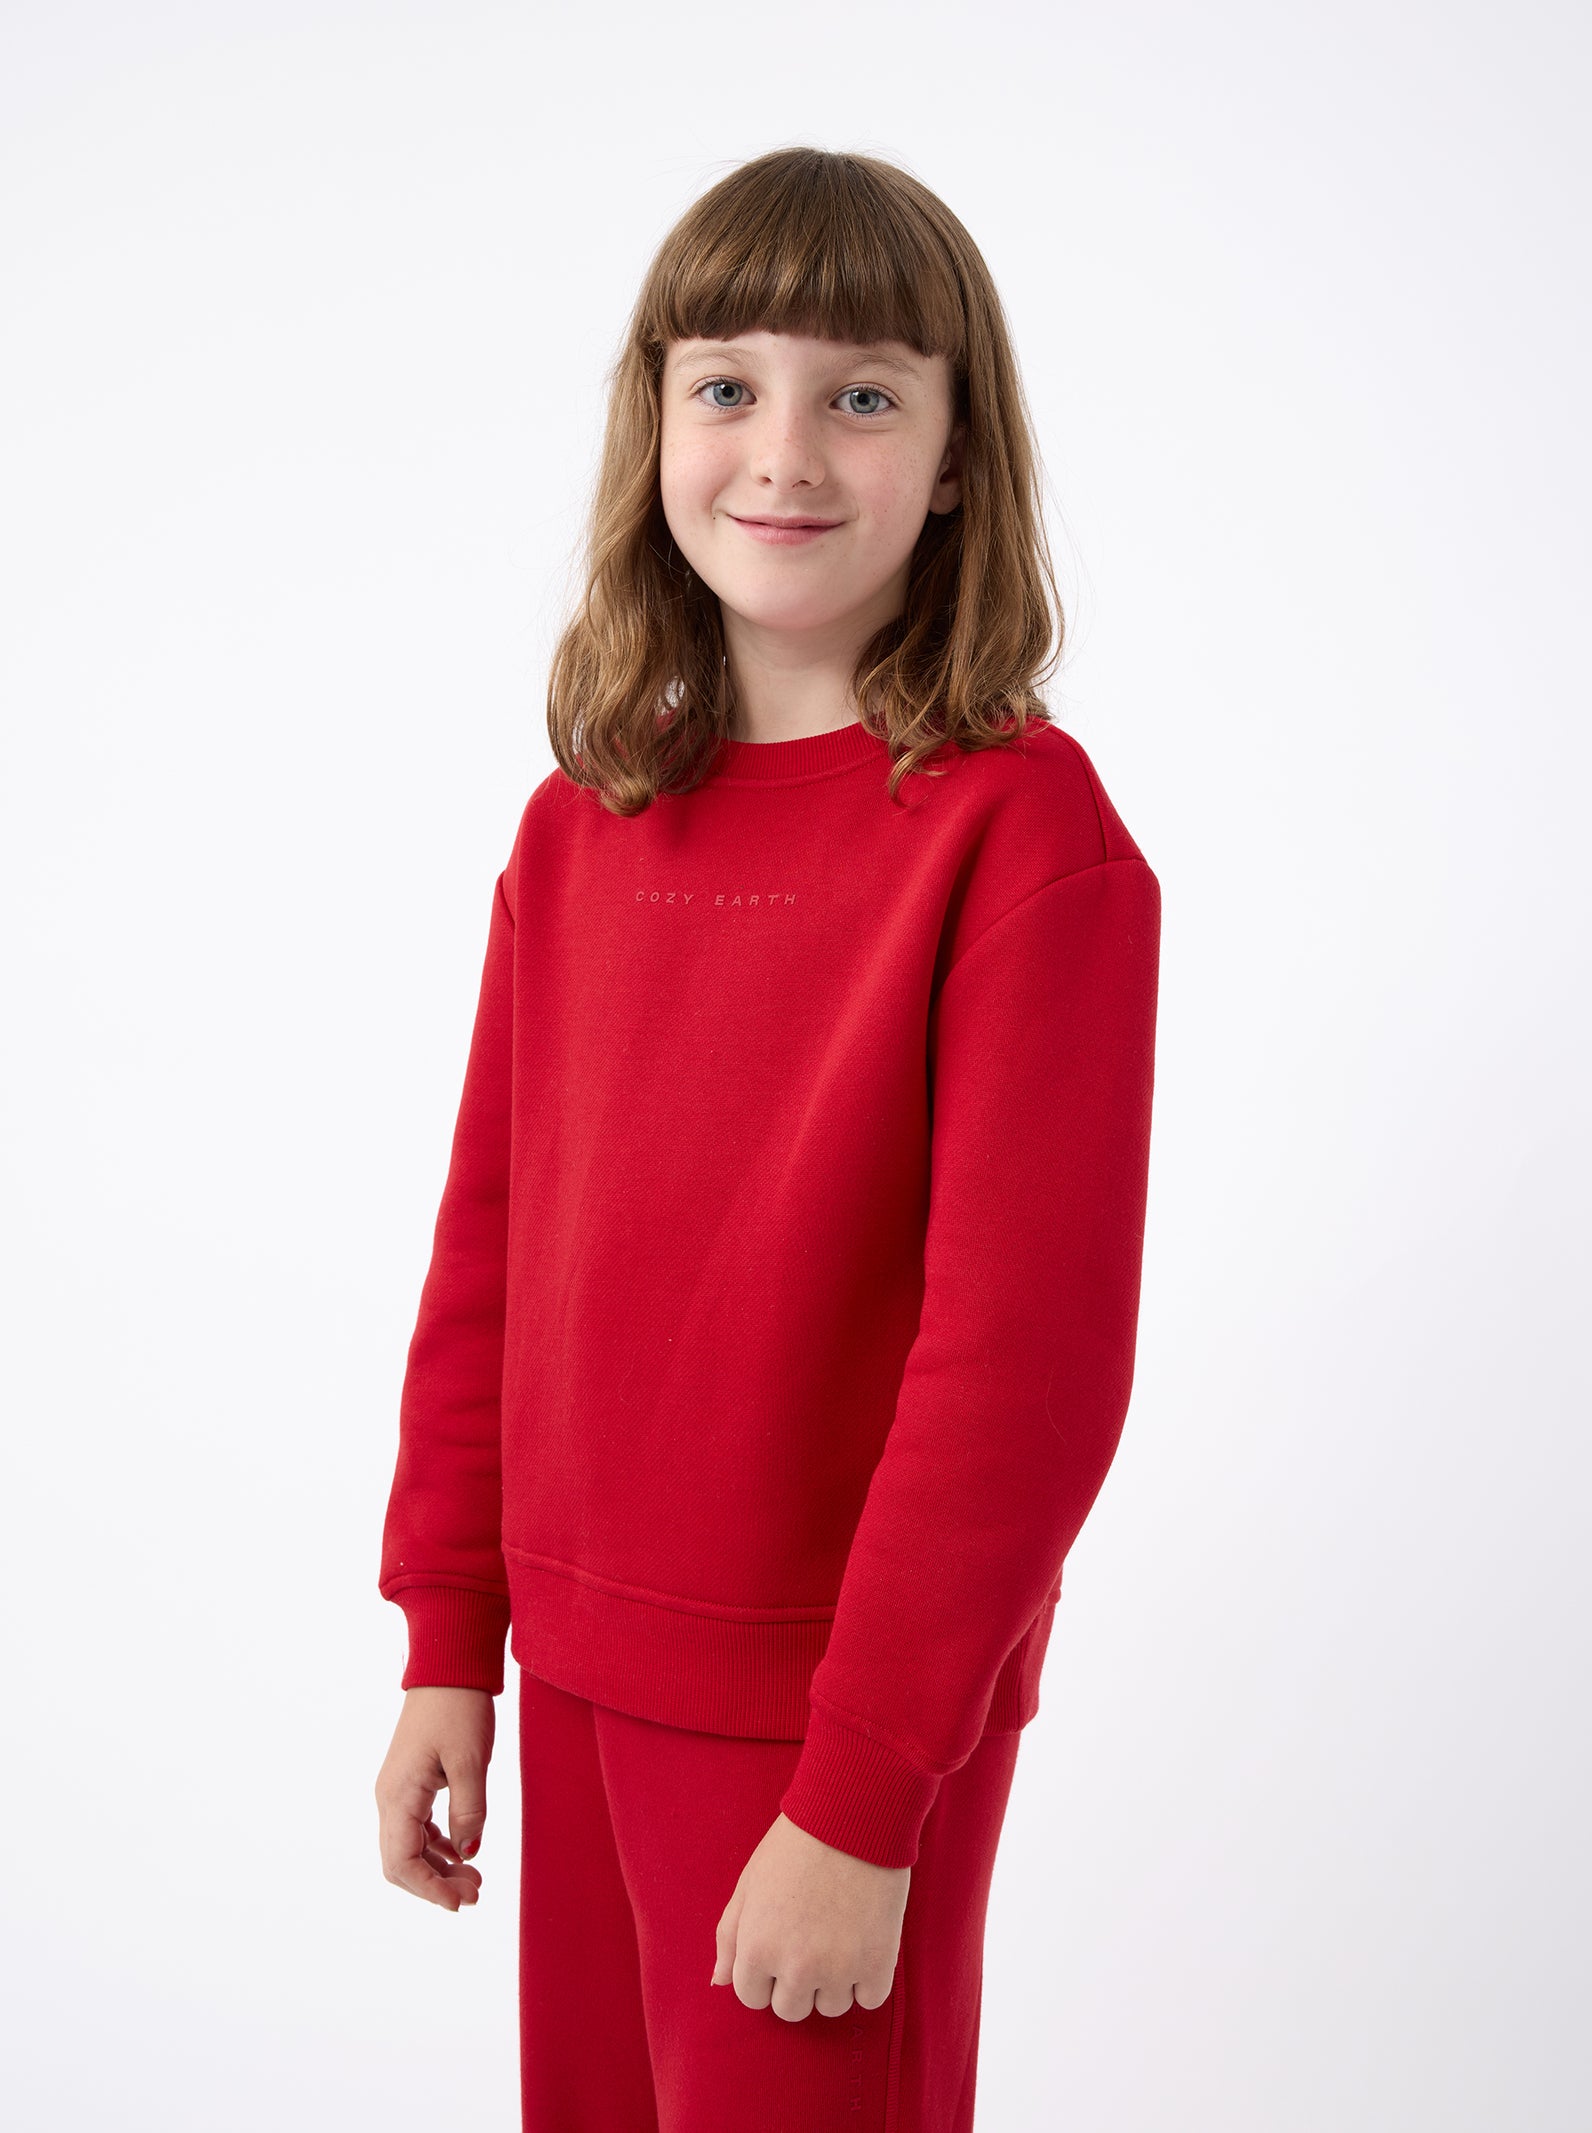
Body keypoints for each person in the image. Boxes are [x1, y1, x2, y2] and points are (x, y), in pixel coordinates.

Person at [373, 144, 1162, 2130]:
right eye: (725, 383)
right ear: (655, 421)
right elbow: (489, 1246)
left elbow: (1022, 1373)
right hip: (580, 1674)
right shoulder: (582, 827)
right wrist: (447, 1638)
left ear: (956, 456)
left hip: (828, 1731)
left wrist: (860, 1795)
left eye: (862, 393)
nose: (782, 448)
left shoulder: (1021, 842)